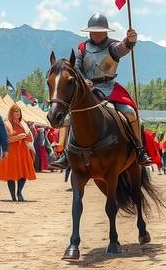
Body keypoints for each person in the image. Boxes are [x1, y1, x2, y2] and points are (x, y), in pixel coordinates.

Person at [65, 13, 152, 166]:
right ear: (89, 32)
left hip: (108, 88)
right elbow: (77, 68)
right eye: (93, 31)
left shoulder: (112, 46)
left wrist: (129, 41)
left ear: (106, 32)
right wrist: (84, 81)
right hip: (87, 90)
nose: (96, 34)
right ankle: (67, 153)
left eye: (99, 31)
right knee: (71, 116)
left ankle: (139, 149)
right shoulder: (82, 47)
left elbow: (122, 49)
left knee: (130, 113)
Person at [0, 104, 37, 201]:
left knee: (23, 173)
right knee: (11, 173)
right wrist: (17, 138)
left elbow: (31, 138)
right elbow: (4, 140)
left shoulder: (23, 124)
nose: (18, 113)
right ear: (11, 113)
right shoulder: (6, 124)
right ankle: (13, 196)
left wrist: (29, 133)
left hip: (23, 151)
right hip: (11, 152)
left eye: (19, 111)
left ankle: (19, 192)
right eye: (16, 111)